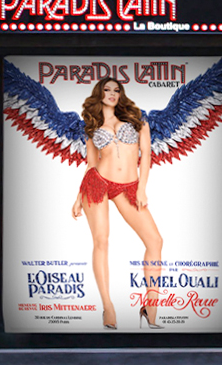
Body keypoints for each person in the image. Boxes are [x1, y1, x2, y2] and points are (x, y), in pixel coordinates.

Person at [69, 77, 165, 329]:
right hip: (97, 182)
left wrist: (142, 188)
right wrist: (79, 196)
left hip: (130, 186)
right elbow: (91, 163)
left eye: (116, 90)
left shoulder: (138, 121)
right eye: (106, 89)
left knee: (155, 241)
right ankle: (108, 307)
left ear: (121, 94)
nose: (112, 93)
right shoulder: (91, 126)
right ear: (98, 94)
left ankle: (151, 303)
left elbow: (146, 157)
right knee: (101, 240)